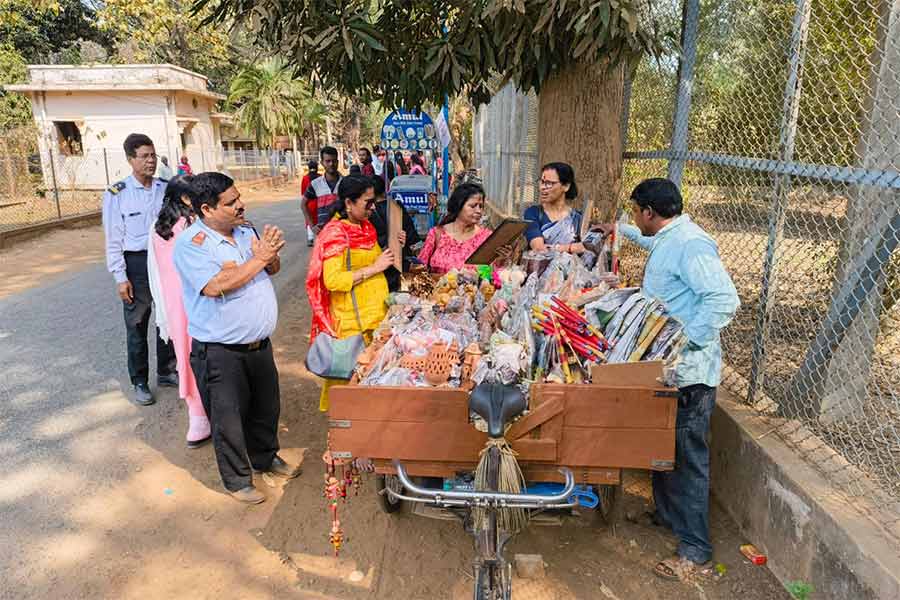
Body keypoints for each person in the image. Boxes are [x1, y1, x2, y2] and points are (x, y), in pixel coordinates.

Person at [595, 178, 739, 582]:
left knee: (686, 457)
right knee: (660, 445)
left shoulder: (691, 245)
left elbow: (724, 299)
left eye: (634, 212)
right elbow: (651, 244)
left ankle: (696, 550)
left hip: (689, 374)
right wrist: (618, 231)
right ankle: (665, 514)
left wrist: (686, 341)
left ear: (649, 213)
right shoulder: (668, 236)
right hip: (666, 371)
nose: (634, 217)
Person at [174, 172, 299, 504]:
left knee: (265, 406)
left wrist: (269, 256)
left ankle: (264, 457)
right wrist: (258, 259)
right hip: (220, 351)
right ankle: (236, 480)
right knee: (227, 417)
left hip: (258, 345)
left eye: (238, 197)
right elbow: (216, 286)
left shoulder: (246, 231)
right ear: (207, 209)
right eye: (231, 203)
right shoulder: (191, 245)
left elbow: (271, 270)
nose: (241, 205)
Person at [306, 175, 395, 411]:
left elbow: (371, 260)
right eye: (367, 202)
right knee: (347, 392)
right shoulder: (336, 233)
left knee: (372, 386)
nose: (373, 207)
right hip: (351, 325)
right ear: (348, 203)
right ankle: (344, 439)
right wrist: (374, 268)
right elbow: (333, 280)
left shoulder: (365, 227)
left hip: (375, 319)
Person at [102, 133, 177, 406]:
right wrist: (120, 277)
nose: (151, 161)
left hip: (164, 261)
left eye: (153, 155)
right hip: (136, 265)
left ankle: (167, 371)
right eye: (144, 156)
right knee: (137, 324)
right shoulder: (117, 194)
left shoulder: (165, 188)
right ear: (130, 159)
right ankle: (140, 381)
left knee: (166, 318)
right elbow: (113, 239)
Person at [147, 176, 211, 447]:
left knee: (186, 355)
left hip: (175, 305)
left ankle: (198, 415)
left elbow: (154, 273)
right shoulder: (194, 227)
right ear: (186, 199)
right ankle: (204, 414)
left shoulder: (157, 227)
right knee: (205, 355)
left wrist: (163, 310)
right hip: (197, 300)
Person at [417, 183, 492, 274]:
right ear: (458, 206)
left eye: (481, 206)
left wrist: (502, 258)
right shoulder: (437, 234)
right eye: (473, 206)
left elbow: (491, 274)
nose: (478, 211)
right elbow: (419, 268)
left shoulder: (486, 238)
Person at [368, 175, 418, 292]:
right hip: (400, 265)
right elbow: (411, 236)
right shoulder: (396, 206)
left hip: (378, 266)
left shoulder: (368, 213)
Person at [524, 162, 586, 255]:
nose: (542, 188)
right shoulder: (533, 213)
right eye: (542, 182)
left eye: (549, 183)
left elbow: (588, 248)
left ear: (566, 186)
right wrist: (572, 247)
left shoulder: (577, 219)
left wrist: (553, 248)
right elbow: (539, 249)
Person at [305, 146, 342, 230]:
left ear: (338, 162)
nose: (331, 164)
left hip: (343, 233)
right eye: (328, 161)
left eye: (334, 161)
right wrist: (312, 225)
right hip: (323, 233)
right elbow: (303, 204)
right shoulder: (315, 184)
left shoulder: (346, 182)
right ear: (322, 163)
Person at [301, 160, 320, 246]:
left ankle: (310, 238)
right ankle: (321, 237)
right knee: (320, 220)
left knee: (309, 220)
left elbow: (303, 192)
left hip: (309, 203)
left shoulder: (305, 178)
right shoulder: (320, 177)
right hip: (320, 202)